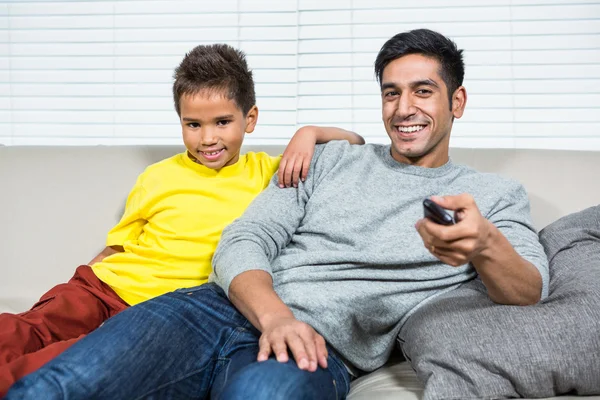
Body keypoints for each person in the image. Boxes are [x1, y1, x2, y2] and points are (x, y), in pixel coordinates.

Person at [6, 29, 548, 400]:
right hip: (207, 310)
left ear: (457, 102)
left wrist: (483, 246)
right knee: (50, 388)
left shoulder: (492, 194)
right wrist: (274, 315)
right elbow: (246, 236)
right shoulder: (332, 159)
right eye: (391, 93)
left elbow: (529, 288)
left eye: (423, 92)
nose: (404, 108)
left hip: (315, 348)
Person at [0, 44, 364, 397]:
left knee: (60, 364)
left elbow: (356, 143)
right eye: (193, 124)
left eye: (222, 122)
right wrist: (83, 284)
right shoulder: (156, 176)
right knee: (21, 330)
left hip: (157, 310)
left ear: (249, 119)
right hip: (103, 288)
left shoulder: (270, 173)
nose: (208, 138)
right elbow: (119, 247)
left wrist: (308, 133)